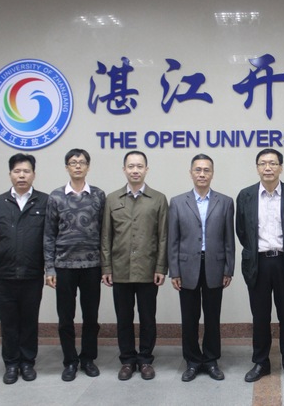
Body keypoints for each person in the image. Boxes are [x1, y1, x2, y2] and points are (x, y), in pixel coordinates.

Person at [236, 148, 284, 385]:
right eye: (263, 163)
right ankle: (261, 362)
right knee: (260, 316)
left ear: (281, 167)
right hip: (257, 263)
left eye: (273, 163)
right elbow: (242, 231)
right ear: (257, 168)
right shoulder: (246, 195)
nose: (268, 168)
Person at [0, 153, 48, 384]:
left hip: (32, 274)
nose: (21, 175)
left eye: (26, 171)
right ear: (10, 174)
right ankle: (11, 364)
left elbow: (50, 239)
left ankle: (27, 363)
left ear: (34, 174)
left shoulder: (44, 202)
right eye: (17, 171)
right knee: (8, 322)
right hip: (4, 275)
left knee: (29, 321)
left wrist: (50, 270)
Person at [101, 151, 168, 381]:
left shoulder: (158, 199)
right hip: (120, 270)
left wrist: (161, 267)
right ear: (124, 170)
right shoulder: (112, 199)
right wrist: (106, 268)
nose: (135, 170)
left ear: (146, 169)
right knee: (124, 318)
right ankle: (128, 360)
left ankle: (146, 359)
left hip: (148, 270)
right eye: (131, 166)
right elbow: (106, 237)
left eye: (140, 166)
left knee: (148, 318)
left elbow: (163, 237)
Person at [168, 154, 235, 382]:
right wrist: (174, 271)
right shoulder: (178, 202)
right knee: (189, 318)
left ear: (212, 173)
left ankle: (211, 360)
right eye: (198, 170)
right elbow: (173, 240)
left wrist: (229, 268)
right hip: (187, 267)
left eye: (206, 170)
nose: (202, 174)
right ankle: (193, 361)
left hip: (215, 265)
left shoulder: (225, 202)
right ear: (191, 173)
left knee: (212, 317)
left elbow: (229, 238)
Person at [44, 149, 106, 381]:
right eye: (73, 162)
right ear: (67, 167)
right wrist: (49, 267)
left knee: (91, 317)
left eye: (81, 162)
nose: (77, 166)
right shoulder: (56, 197)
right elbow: (49, 235)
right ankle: (70, 361)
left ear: (88, 167)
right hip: (64, 267)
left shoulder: (98, 195)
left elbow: (105, 233)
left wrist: (106, 267)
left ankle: (88, 359)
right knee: (65, 318)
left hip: (92, 266)